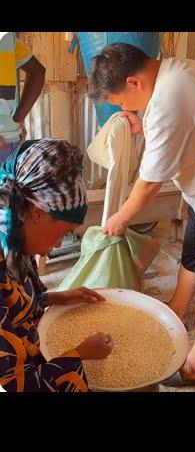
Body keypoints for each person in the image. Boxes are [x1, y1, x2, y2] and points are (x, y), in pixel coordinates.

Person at [88, 42, 195, 385]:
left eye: (123, 103)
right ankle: (177, 306)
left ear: (134, 83)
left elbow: (149, 184)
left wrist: (120, 217)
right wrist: (143, 128)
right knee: (193, 252)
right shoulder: (177, 71)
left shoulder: (165, 102)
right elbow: (182, 128)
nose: (127, 109)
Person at [0, 139, 113, 392]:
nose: (59, 243)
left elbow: (16, 304)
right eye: (63, 232)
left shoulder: (16, 234)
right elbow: (18, 383)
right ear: (38, 213)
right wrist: (78, 354)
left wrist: (58, 297)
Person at [0, 33, 46, 163]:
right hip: (9, 140)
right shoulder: (8, 37)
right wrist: (19, 117)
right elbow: (37, 71)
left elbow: (38, 72)